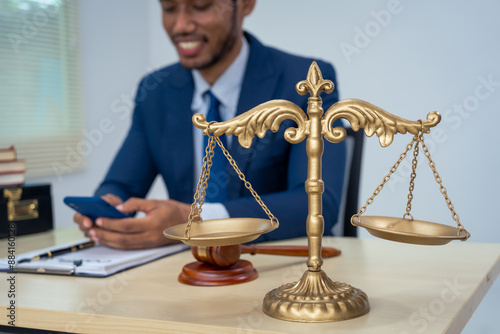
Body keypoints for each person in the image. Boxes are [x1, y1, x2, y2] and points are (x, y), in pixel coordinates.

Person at [73, 0, 346, 249]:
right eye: (168, 8)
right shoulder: (156, 90)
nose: (181, 25)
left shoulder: (305, 81)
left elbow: (318, 203)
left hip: (281, 266)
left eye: (201, 6)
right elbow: (122, 185)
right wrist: (106, 210)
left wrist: (196, 220)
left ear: (246, 5)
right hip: (188, 269)